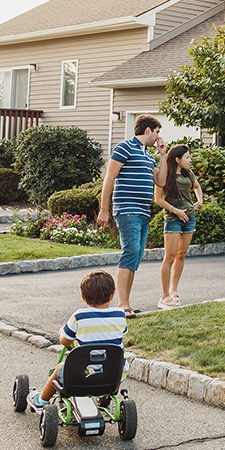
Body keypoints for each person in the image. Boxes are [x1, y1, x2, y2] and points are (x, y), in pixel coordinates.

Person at [96, 114, 168, 318]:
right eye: (157, 132)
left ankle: (126, 302)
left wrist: (163, 155)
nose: (158, 137)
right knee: (130, 252)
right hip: (127, 209)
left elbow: (160, 181)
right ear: (147, 130)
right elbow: (109, 178)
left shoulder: (147, 154)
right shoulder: (124, 147)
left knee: (135, 255)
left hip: (143, 211)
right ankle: (122, 304)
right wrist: (104, 209)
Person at [28, 270, 127, 411]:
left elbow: (65, 341)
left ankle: (41, 400)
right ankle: (104, 396)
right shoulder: (120, 314)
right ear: (112, 294)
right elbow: (121, 333)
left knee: (60, 368)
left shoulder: (79, 316)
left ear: (83, 298)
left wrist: (62, 331)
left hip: (83, 375)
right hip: (114, 373)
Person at [152, 145, 203, 310]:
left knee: (181, 255)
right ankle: (164, 295)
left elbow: (196, 186)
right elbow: (158, 199)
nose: (190, 160)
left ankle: (174, 291)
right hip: (173, 219)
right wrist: (176, 211)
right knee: (170, 257)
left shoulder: (188, 173)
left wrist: (199, 201)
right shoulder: (165, 174)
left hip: (190, 219)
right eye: (187, 157)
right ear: (177, 159)